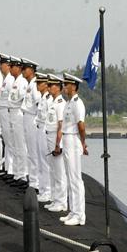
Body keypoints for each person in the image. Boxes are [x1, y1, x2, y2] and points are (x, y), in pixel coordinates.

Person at [59, 72, 88, 226]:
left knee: (76, 178)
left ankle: (79, 214)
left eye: (67, 84)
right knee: (70, 177)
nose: (64, 87)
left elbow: (81, 126)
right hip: (66, 138)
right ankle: (73, 210)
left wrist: (83, 143)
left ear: (74, 86)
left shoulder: (78, 104)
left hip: (73, 139)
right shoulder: (69, 103)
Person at [43, 74, 68, 214]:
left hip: (55, 138)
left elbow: (61, 126)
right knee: (53, 170)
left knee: (59, 172)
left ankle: (62, 202)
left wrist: (58, 145)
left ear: (58, 87)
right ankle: (55, 198)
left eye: (51, 85)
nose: (48, 87)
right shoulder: (52, 102)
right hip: (49, 136)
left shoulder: (60, 104)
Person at [7, 57, 29, 188]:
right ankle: (17, 173)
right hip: (12, 113)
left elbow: (22, 98)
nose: (9, 68)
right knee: (15, 144)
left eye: (12, 66)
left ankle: (22, 174)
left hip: (18, 113)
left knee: (20, 145)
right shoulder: (15, 81)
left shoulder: (22, 82)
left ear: (18, 68)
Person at [21, 60, 41, 195]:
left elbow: (39, 104)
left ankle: (35, 182)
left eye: (25, 69)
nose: (23, 71)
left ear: (32, 70)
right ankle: (33, 180)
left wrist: (38, 121)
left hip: (32, 118)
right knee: (30, 151)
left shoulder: (34, 85)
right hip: (27, 117)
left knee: (33, 152)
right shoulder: (30, 84)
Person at [0, 55, 14, 178]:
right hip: (3, 111)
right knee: (7, 141)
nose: (0, 66)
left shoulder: (11, 80)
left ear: (7, 65)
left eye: (2, 64)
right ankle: (8, 168)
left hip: (8, 112)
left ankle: (12, 169)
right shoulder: (5, 79)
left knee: (10, 142)